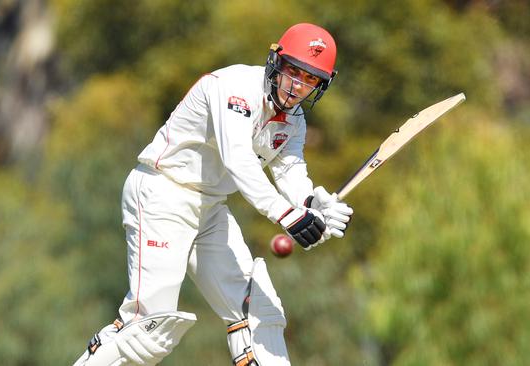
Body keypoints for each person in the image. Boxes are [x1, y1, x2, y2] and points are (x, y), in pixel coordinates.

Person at [73, 23, 354, 366]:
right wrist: (288, 215)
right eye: (294, 72)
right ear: (276, 63)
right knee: (149, 332)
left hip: (210, 207)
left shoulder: (294, 120)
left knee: (260, 315)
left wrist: (311, 202)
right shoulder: (234, 88)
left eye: (309, 79)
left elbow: (289, 170)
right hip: (164, 194)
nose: (297, 87)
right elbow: (239, 160)